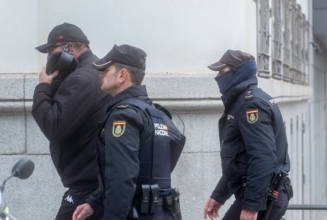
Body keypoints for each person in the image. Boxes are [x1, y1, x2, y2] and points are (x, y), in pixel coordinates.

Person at [72, 44, 185, 220]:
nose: (100, 74)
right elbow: (171, 150)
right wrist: (94, 202)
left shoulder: (123, 116)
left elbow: (121, 178)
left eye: (105, 69)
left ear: (122, 75)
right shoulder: (157, 113)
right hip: (165, 213)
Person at [32, 22, 110, 220]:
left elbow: (54, 126)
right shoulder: (96, 71)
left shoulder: (81, 79)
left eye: (51, 51)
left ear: (69, 48)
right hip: (96, 182)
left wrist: (43, 86)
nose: (49, 58)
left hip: (87, 186)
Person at [203, 49, 293, 220]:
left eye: (222, 71)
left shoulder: (251, 105)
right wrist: (219, 195)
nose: (217, 77)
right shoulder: (247, 101)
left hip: (264, 197)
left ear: (238, 72)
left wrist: (252, 206)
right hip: (264, 194)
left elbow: (263, 157)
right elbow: (239, 160)